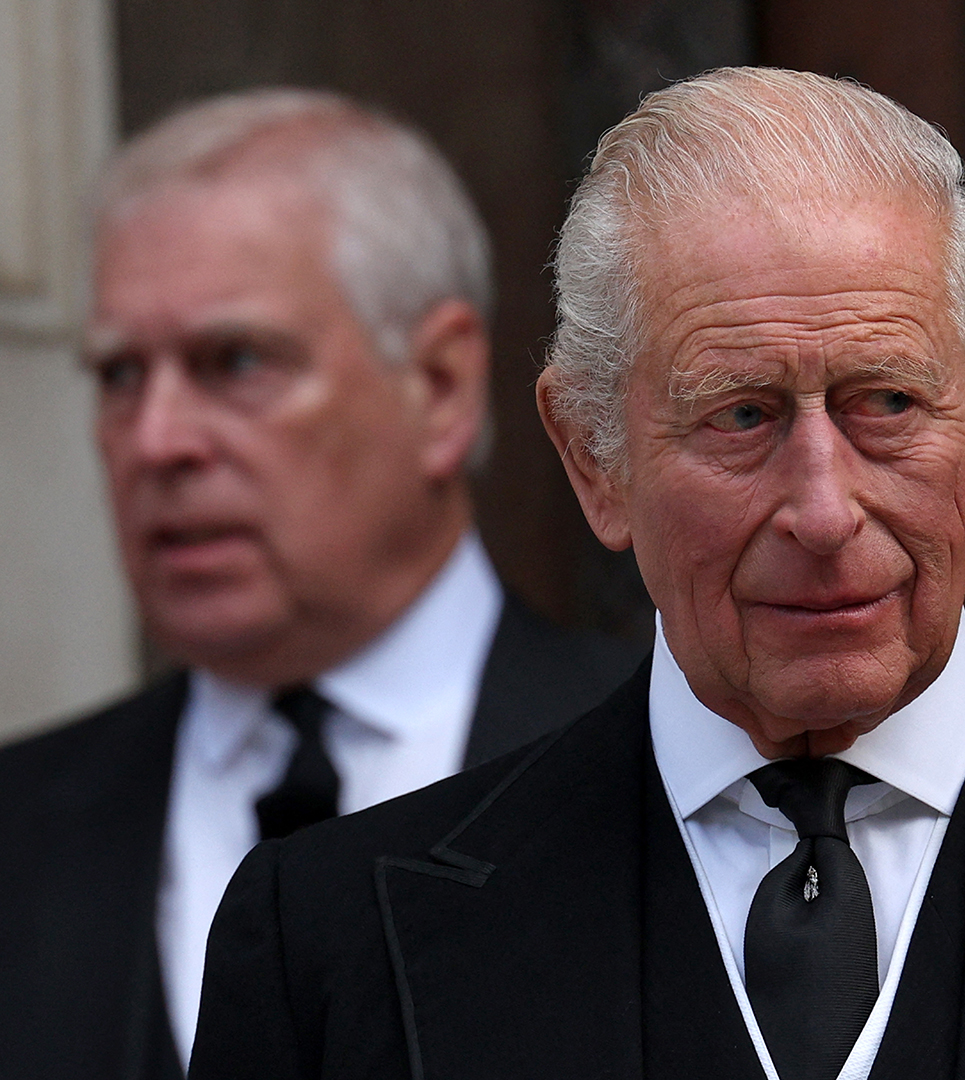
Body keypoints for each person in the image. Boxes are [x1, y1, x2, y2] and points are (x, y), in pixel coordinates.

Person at [188, 68, 965, 1080]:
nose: (825, 512)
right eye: (741, 415)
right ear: (594, 459)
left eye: (888, 403)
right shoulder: (330, 945)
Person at [0, 89, 640, 1080]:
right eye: (121, 375)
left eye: (236, 360)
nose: (157, 441)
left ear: (440, 386)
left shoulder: (676, 766)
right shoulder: (23, 829)